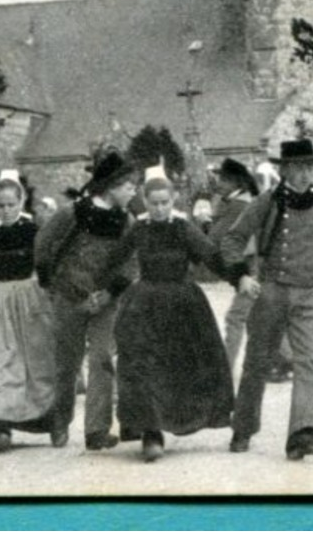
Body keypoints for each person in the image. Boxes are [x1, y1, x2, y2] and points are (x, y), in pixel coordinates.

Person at [220, 138, 313, 460]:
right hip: (271, 292)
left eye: (310, 166)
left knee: (308, 362)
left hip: (311, 294)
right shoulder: (267, 201)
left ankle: (301, 436)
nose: (306, 173)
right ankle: (243, 427)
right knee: (257, 362)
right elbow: (233, 238)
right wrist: (241, 275)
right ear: (286, 169)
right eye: (299, 167)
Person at [112, 177, 235, 462]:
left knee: (178, 367)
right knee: (143, 366)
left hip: (182, 305)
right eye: (153, 203)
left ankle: (176, 421)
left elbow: (210, 256)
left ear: (174, 200)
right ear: (144, 201)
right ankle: (150, 432)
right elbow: (116, 258)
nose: (159, 209)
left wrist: (237, 276)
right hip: (144, 304)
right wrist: (101, 287)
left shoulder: (184, 228)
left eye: (164, 203)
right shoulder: (138, 229)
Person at [34, 150, 139, 451]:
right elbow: (43, 243)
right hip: (68, 297)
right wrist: (48, 282)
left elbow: (131, 263)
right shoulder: (73, 212)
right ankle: (58, 423)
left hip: (105, 302)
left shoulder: (127, 221)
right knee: (66, 364)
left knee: (102, 359)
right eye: (128, 185)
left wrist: (108, 294)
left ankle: (96, 430)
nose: (133, 190)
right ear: (111, 186)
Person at [0, 170, 58, 452]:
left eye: (11, 205)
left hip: (26, 299)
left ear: (22, 202)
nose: (6, 211)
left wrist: (47, 294)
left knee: (32, 360)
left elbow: (44, 265)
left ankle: (45, 419)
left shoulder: (32, 230)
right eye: (0, 205)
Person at [209, 157, 261, 379]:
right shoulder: (238, 202)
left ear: (237, 183)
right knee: (256, 316)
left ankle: (224, 370)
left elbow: (219, 236)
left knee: (236, 318)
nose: (218, 182)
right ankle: (286, 360)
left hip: (250, 269)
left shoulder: (239, 205)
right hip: (251, 267)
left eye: (224, 179)